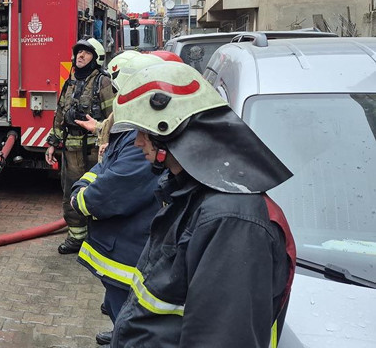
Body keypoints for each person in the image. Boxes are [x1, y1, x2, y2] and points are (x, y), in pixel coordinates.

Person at [107, 61, 296, 347]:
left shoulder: (231, 222)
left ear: (169, 131)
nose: (137, 143)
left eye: (143, 132)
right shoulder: (191, 194)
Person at [69, 52, 175, 346]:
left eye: (118, 91)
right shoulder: (131, 131)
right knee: (121, 313)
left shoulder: (143, 139)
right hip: (123, 248)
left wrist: (80, 198)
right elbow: (104, 167)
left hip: (129, 251)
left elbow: (111, 189)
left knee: (130, 322)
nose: (115, 98)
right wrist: (86, 182)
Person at [44, 37, 114, 254]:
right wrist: (52, 143)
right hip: (71, 152)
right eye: (78, 52)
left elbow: (113, 117)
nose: (80, 56)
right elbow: (60, 114)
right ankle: (76, 238)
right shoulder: (70, 82)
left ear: (96, 58)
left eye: (86, 53)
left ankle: (99, 239)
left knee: (98, 193)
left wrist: (109, 144)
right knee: (71, 194)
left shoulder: (103, 82)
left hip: (95, 151)